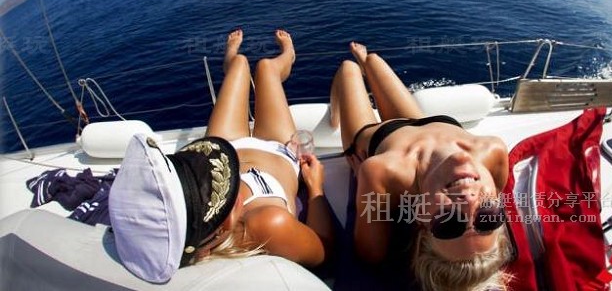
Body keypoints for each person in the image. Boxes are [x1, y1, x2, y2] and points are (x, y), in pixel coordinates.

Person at [109, 29, 334, 283]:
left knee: (239, 64)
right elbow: (323, 250)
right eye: (226, 184)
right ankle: (287, 55)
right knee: (266, 68)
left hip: (227, 144)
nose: (236, 175)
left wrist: (212, 160)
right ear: (224, 225)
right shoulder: (268, 223)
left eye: (195, 162)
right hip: (277, 150)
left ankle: (232, 58)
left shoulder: (201, 220)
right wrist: (315, 187)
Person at [329, 42, 514, 291]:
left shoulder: (384, 171)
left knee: (348, 69)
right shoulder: (494, 151)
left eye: (449, 221)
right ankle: (366, 62)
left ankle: (336, 110)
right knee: (373, 60)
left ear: (421, 222)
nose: (469, 201)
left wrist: (362, 175)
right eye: (488, 219)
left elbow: (370, 252)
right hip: (429, 122)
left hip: (379, 137)